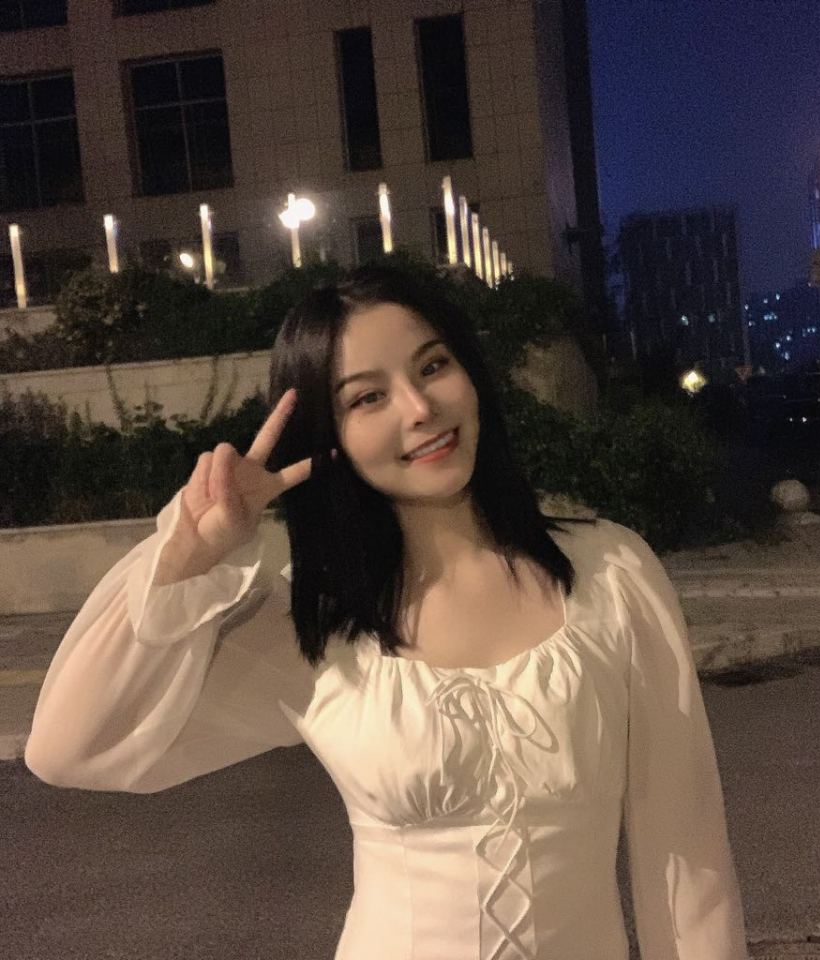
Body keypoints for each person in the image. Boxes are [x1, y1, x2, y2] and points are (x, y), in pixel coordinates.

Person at [24, 262, 750, 960]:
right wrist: (186, 554)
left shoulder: (613, 574)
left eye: (432, 366)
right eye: (367, 398)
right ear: (329, 437)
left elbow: (685, 848)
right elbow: (68, 749)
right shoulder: (310, 623)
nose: (419, 408)